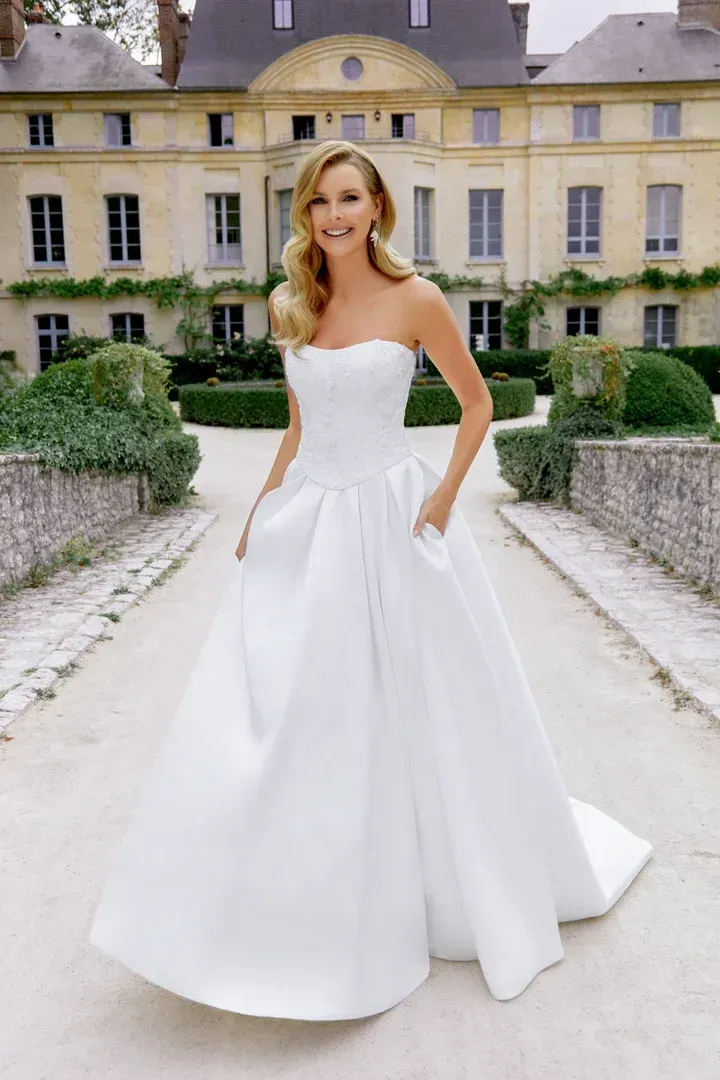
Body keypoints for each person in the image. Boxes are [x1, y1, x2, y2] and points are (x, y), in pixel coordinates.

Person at [89, 140, 653, 1021]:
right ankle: (287, 890)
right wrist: (259, 511)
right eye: (319, 201)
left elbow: (476, 404)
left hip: (393, 517)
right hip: (309, 517)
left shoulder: (418, 298)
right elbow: (296, 425)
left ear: (379, 205)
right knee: (296, 705)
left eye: (350, 197)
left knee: (420, 697)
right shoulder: (290, 304)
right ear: (305, 216)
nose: (335, 214)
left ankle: (430, 881)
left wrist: (441, 496)